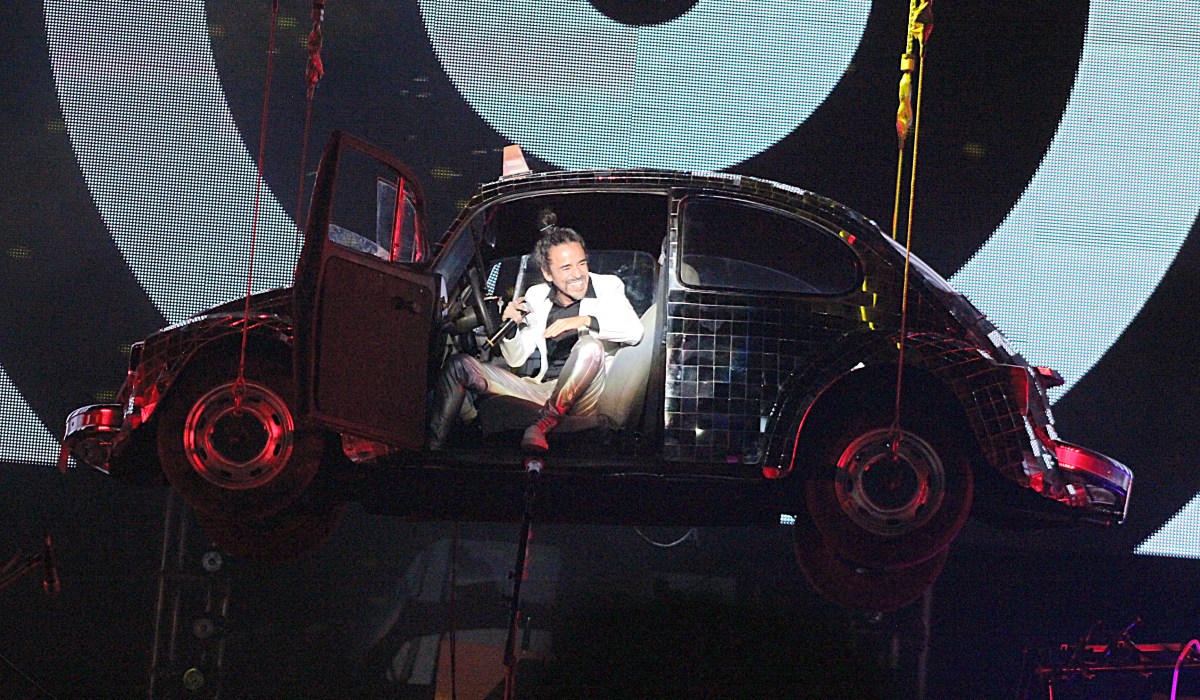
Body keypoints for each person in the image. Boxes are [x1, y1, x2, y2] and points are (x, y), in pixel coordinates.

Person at [428, 222, 644, 451]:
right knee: (459, 366)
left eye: (582, 263)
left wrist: (584, 320)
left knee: (589, 346)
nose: (578, 274)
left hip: (586, 394)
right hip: (545, 390)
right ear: (547, 273)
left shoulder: (608, 287)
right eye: (566, 268)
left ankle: (543, 424)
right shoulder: (537, 296)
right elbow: (516, 359)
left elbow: (634, 331)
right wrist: (511, 328)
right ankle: (432, 452)